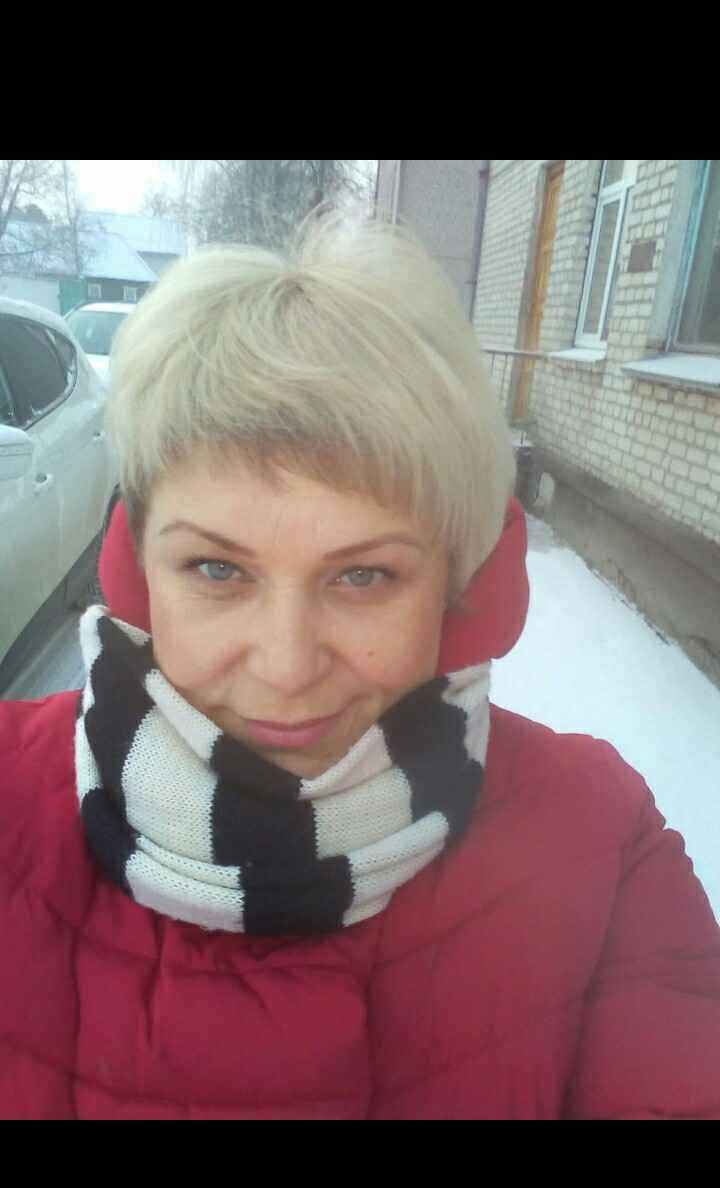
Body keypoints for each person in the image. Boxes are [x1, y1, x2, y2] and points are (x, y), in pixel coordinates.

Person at [2, 213, 719, 1121]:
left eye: (364, 575)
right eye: (216, 569)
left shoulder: (601, 847)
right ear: (136, 568)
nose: (286, 666)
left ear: (459, 589)